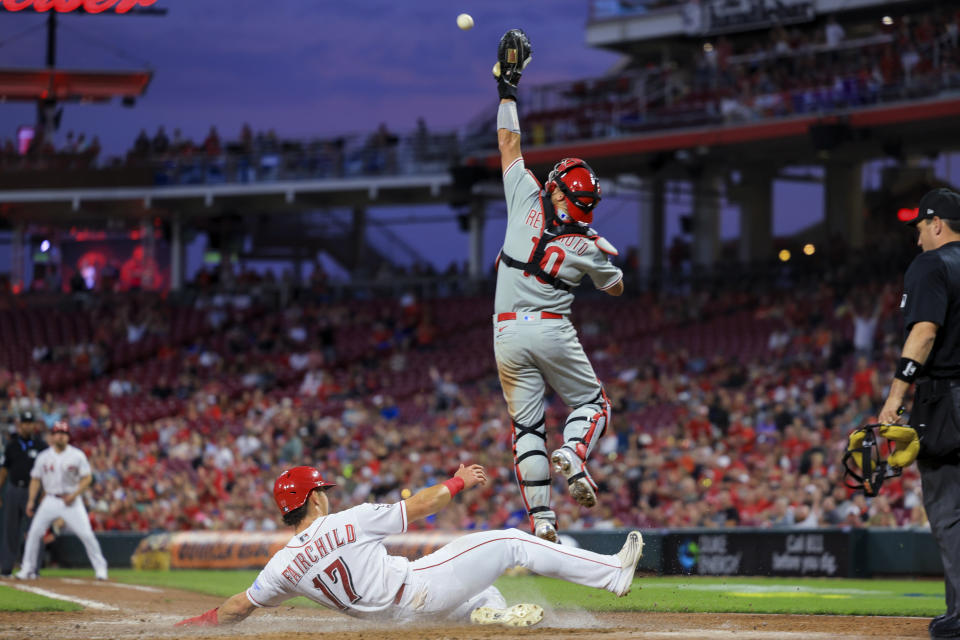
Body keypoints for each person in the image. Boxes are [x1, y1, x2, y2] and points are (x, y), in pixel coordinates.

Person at [175, 464, 643, 629]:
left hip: (399, 617)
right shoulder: (348, 520)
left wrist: (201, 623)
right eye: (324, 490)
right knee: (510, 541)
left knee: (479, 592)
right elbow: (420, 506)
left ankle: (489, 615)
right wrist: (458, 481)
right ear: (314, 497)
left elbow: (239, 607)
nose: (328, 494)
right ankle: (611, 572)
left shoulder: (281, 567)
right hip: (419, 589)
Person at [491, 29, 625, 542]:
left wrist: (508, 90)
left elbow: (509, 142)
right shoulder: (590, 245)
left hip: (505, 334)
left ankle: (543, 521)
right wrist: (596, 257)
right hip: (550, 328)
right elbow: (614, 289)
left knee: (526, 429)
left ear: (554, 188)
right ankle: (573, 450)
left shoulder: (526, 196)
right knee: (592, 406)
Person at [878, 188, 960, 640]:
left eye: (920, 228)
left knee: (949, 509)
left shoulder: (932, 263)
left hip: (947, 397)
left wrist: (895, 397)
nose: (917, 240)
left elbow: (925, 333)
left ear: (936, 224)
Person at [16, 421, 107, 580]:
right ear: (52, 436)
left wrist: (74, 494)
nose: (61, 436)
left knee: (86, 534)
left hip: (72, 500)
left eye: (64, 433)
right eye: (58, 433)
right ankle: (27, 569)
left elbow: (87, 478)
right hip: (50, 499)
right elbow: (35, 479)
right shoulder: (44, 456)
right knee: (34, 533)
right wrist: (31, 500)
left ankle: (101, 569)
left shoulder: (77, 455)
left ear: (68, 437)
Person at [0, 411, 46, 578]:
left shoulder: (41, 445)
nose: (27, 426)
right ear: (20, 425)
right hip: (13, 489)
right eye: (24, 423)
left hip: (33, 491)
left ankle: (34, 568)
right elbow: (4, 470)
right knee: (10, 530)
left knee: (36, 529)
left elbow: (47, 471)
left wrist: (45, 492)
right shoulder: (12, 445)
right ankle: (6, 567)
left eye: (30, 422)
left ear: (34, 425)